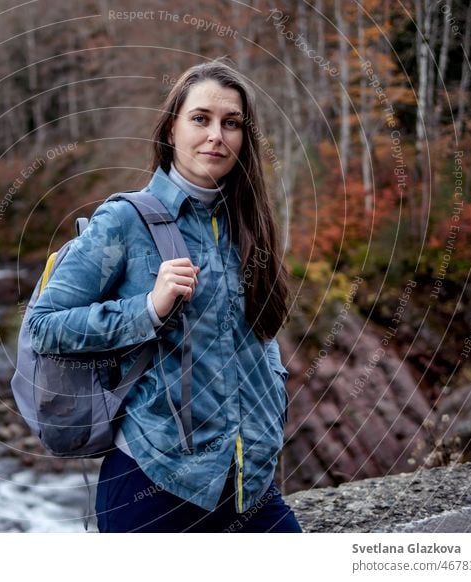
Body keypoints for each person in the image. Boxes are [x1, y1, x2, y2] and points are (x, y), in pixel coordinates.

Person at [27, 58, 302, 533]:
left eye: (231, 123)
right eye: (200, 119)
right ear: (171, 130)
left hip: (247, 482)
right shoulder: (125, 221)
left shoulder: (248, 222)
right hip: (152, 482)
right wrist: (147, 309)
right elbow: (43, 325)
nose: (216, 134)